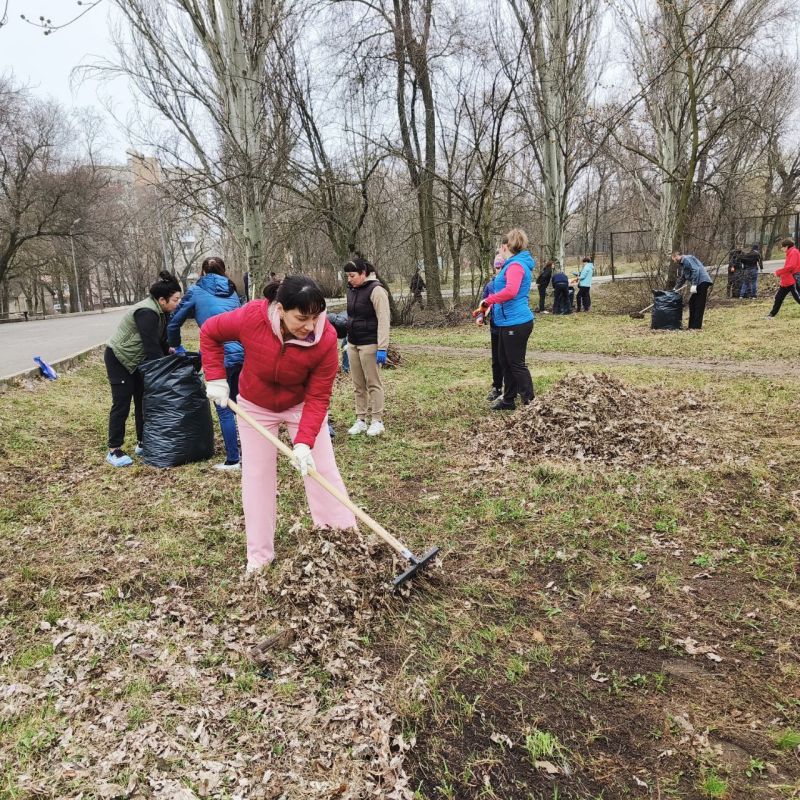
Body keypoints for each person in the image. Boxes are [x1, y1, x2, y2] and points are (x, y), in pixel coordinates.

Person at [200, 276, 357, 574]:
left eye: (315, 317)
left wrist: (304, 442)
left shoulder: (324, 340)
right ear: (281, 309)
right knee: (257, 478)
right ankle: (259, 557)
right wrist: (216, 378)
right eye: (302, 318)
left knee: (320, 469)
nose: (310, 326)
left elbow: (318, 396)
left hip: (300, 405)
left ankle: (342, 541)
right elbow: (210, 332)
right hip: (255, 406)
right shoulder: (251, 317)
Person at [168, 256, 244, 471]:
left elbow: (174, 322)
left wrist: (177, 347)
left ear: (202, 272)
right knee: (240, 404)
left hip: (217, 355)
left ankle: (233, 459)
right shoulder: (232, 291)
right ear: (224, 271)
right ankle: (249, 454)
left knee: (223, 407)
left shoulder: (196, 290)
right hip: (242, 352)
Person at [104, 271, 182, 467]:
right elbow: (150, 345)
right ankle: (114, 450)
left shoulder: (161, 312)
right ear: (162, 300)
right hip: (119, 359)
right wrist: (163, 370)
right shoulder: (146, 312)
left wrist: (169, 350)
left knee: (142, 401)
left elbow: (159, 340)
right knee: (122, 403)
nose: (178, 303)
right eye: (175, 299)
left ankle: (142, 442)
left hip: (137, 360)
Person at [473, 228, 535, 410]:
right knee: (505, 361)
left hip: (516, 322)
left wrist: (488, 300)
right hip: (506, 322)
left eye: (501, 246)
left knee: (516, 364)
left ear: (506, 246)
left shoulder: (516, 265)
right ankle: (508, 400)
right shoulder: (513, 263)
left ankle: (530, 402)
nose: (500, 249)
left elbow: (511, 291)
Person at [344, 256, 390, 436]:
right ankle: (361, 419)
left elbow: (384, 320)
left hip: (370, 343)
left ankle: (377, 420)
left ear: (363, 273)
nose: (349, 279)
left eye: (352, 275)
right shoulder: (351, 290)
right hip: (353, 342)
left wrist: (382, 347)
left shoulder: (377, 290)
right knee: (358, 384)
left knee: (373, 383)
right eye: (348, 276)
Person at [479, 252, 506, 401]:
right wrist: (480, 317)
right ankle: (496, 387)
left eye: (502, 266)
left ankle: (511, 387)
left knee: (508, 359)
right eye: (497, 267)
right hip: (495, 327)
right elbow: (483, 304)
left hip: (509, 326)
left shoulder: (510, 283)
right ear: (494, 268)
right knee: (496, 359)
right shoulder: (490, 285)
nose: (499, 269)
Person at [672, 251, 713, 330]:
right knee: (692, 302)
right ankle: (692, 326)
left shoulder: (687, 259)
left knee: (699, 304)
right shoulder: (683, 264)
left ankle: (696, 327)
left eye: (674, 259)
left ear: (677, 256)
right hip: (698, 282)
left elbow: (696, 270)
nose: (674, 261)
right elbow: (683, 278)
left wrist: (694, 284)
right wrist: (675, 288)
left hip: (702, 282)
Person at [766, 237, 800, 318]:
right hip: (787, 279)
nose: (781, 249)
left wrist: (778, 272)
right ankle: (771, 315)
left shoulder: (793, 252)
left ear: (787, 246)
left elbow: (791, 266)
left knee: (798, 297)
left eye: (782, 247)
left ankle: (771, 315)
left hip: (793, 278)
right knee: (778, 297)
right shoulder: (790, 252)